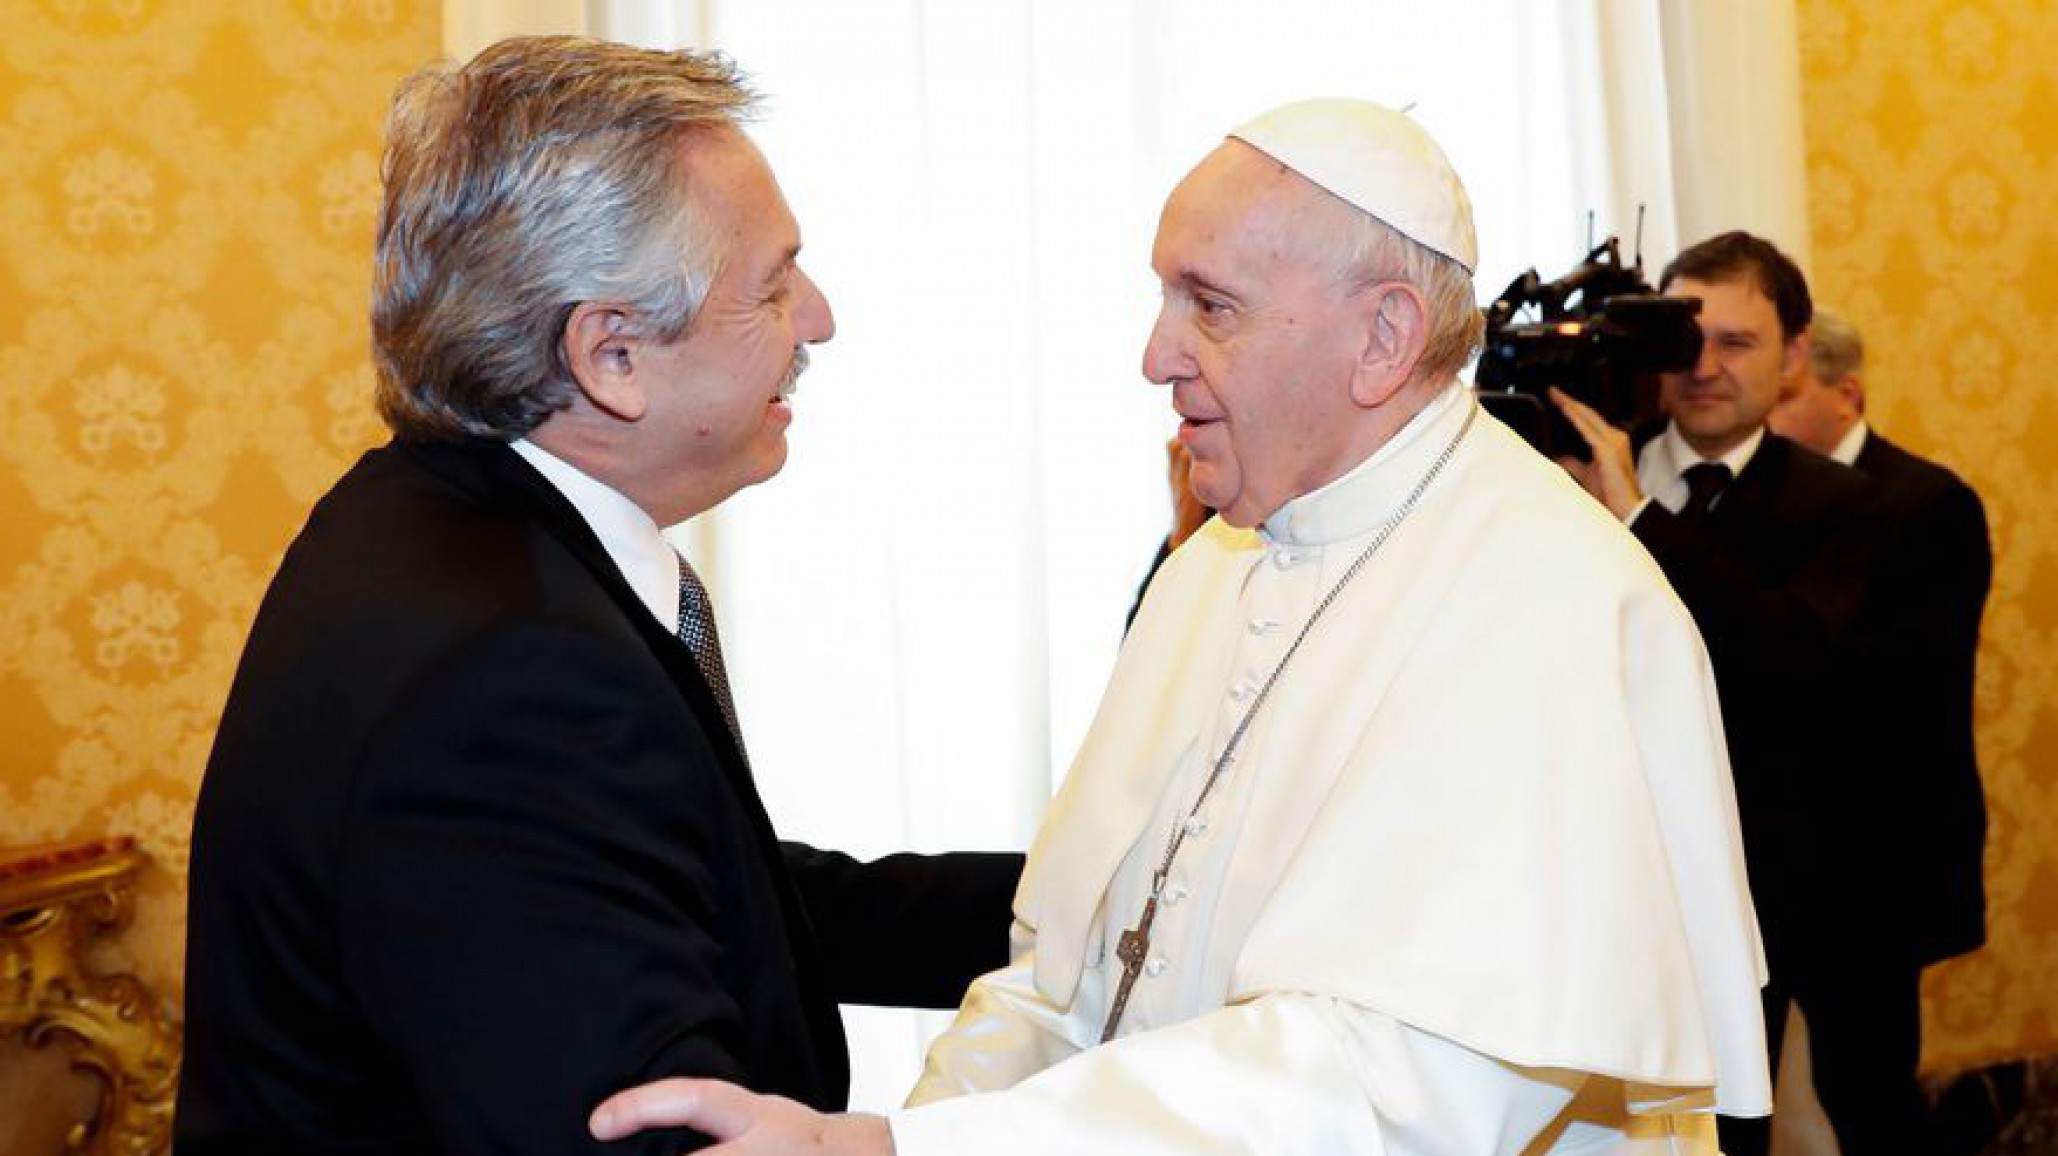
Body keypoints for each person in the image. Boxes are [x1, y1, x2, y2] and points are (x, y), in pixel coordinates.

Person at [589, 98, 1772, 1154]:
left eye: (1210, 305)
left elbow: (1404, 1088)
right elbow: (1063, 973)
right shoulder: (1213, 565)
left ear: (1385, 335)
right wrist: (898, 1140)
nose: (1156, 355)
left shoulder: (1551, 602)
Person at [176, 37, 1018, 1156]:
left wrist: (1098, 907)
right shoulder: (508, 666)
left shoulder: (431, 518)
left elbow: (706, 892)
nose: (817, 320)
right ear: (611, 355)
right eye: (771, 284)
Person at [1551, 238, 1912, 1153]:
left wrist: (1637, 518)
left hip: (1783, 886)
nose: (1704, 367)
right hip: (1609, 871)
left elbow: (1795, 662)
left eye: (1739, 343)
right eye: (1686, 338)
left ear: (1796, 355)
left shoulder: (1850, 505)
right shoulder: (1569, 484)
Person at [1771, 308, 1993, 1139]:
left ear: (1846, 392)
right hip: (1774, 857)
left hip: (1875, 860)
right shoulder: (1751, 501)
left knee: (1867, 1092)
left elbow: (1888, 691)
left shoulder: (1926, 503)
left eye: (1783, 396)